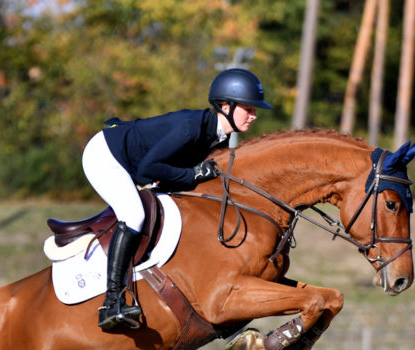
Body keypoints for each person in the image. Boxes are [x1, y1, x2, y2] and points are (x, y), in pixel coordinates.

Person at [82, 68, 273, 331]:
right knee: (133, 214)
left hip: (135, 163)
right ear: (226, 106)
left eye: (254, 110)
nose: (254, 115)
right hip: (106, 156)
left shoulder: (219, 135)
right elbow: (149, 169)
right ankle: (112, 303)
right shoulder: (190, 129)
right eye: (248, 109)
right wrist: (193, 173)